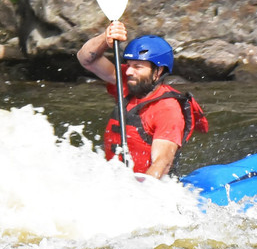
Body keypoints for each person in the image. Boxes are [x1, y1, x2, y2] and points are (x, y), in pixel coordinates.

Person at [77, 21, 207, 179]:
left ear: (157, 72)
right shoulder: (127, 83)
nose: (129, 71)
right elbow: (86, 59)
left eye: (138, 67)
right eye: (129, 65)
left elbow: (162, 164)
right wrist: (106, 37)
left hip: (146, 190)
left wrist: (139, 196)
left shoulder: (168, 110)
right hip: (114, 183)